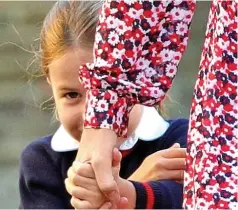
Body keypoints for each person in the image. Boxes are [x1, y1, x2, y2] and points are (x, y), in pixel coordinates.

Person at [19, 1, 189, 209]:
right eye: (72, 94)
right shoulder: (42, 161)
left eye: (110, 91)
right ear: (50, 84)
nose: (90, 113)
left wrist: (129, 194)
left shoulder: (181, 141)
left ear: (142, 78)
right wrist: (135, 185)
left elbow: (203, 199)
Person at [72, 0, 237, 209]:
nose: (83, 109)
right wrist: (105, 109)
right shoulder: (41, 160)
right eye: (71, 95)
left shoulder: (177, 136)